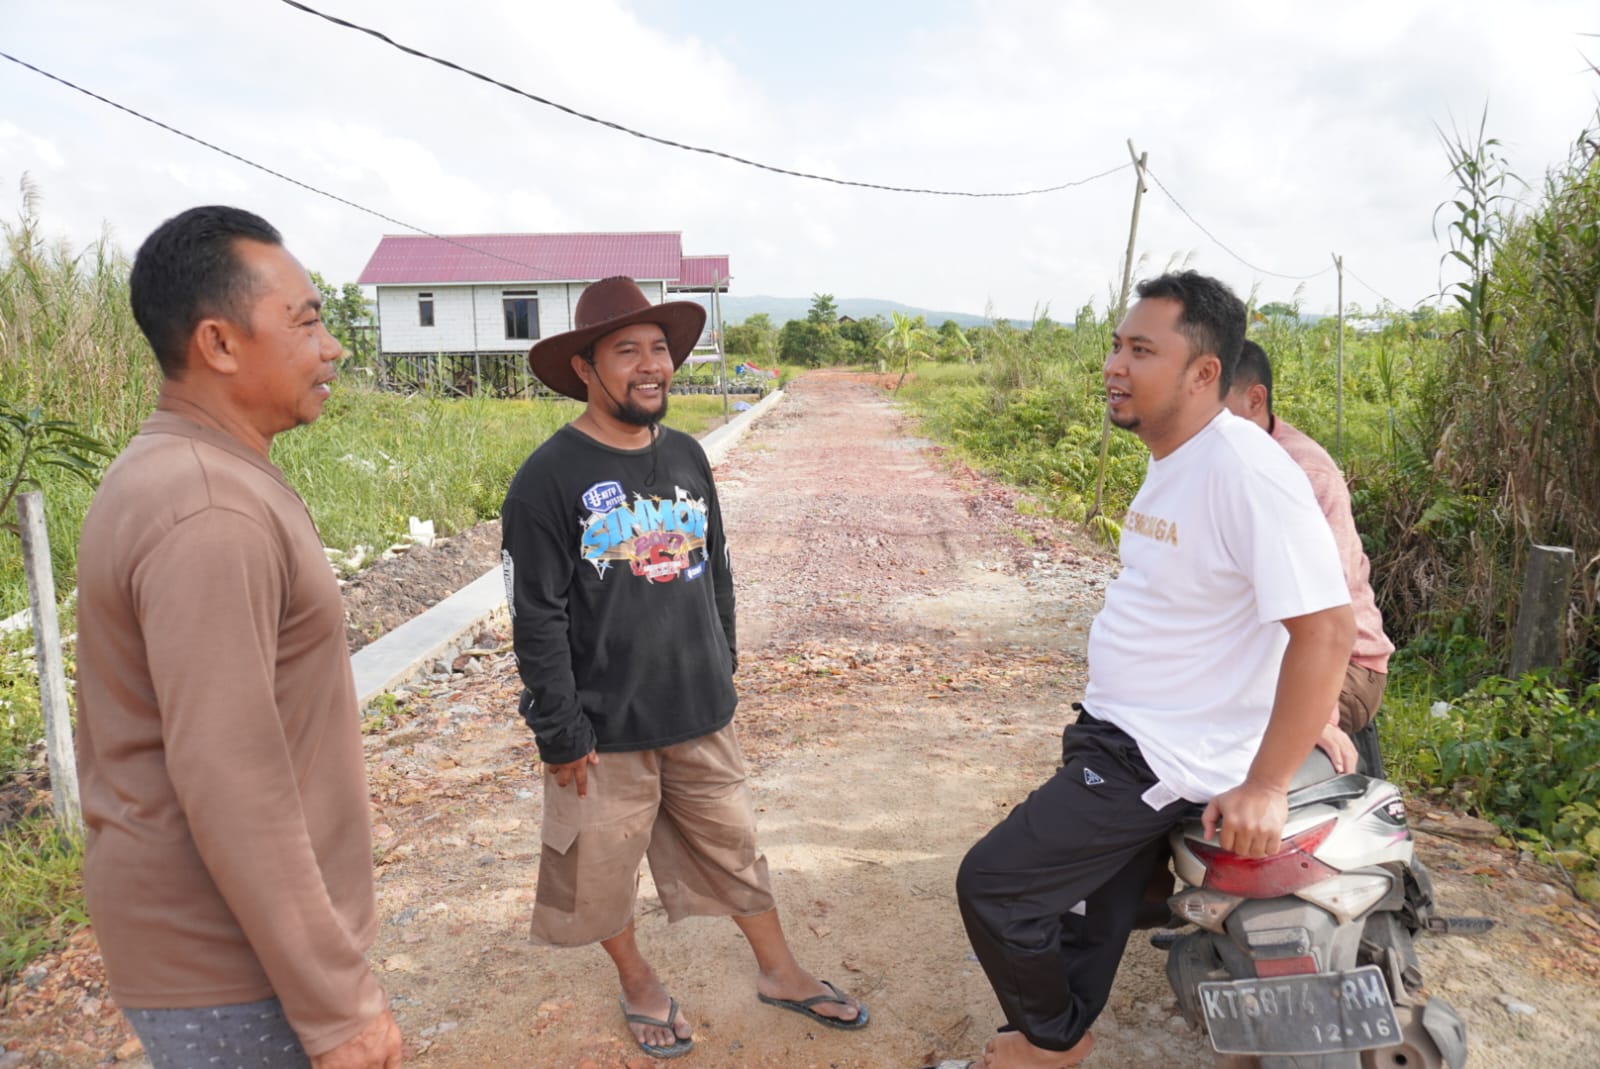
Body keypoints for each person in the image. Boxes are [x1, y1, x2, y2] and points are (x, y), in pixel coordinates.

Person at [954, 271, 1356, 1069]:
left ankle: (1051, 1042)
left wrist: (1268, 783)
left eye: (1141, 348)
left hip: (1162, 754)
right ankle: (1060, 1030)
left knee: (995, 885)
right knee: (1092, 904)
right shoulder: (1180, 453)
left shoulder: (1244, 469)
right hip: (1125, 727)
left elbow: (1327, 626)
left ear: (1205, 372)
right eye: (1115, 344)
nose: (1114, 363)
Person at [500, 276, 868, 1060]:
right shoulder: (547, 479)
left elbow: (718, 569)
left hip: (699, 711)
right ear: (585, 370)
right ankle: (638, 981)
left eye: (659, 347)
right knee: (599, 869)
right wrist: (560, 729)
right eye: (625, 349)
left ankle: (781, 970)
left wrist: (721, 664)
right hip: (601, 729)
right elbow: (536, 615)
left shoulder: (688, 455)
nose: (650, 365)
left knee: (735, 848)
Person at [73, 206, 400, 1069]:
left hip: (236, 962)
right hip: (237, 974)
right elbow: (232, 777)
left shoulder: (186, 472)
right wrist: (337, 1008)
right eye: (306, 322)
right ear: (218, 344)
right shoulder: (208, 506)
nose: (330, 347)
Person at [1225, 339, 1396, 778]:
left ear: (1254, 398)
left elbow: (1327, 617)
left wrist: (1314, 717)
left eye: (1214, 405)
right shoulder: (1220, 459)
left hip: (1345, 662)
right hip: (1267, 650)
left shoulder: (1303, 472)